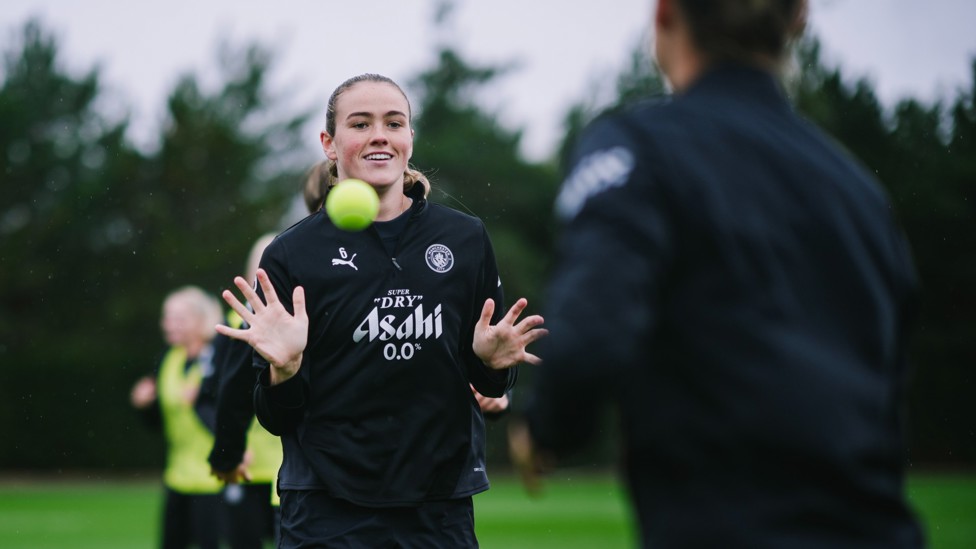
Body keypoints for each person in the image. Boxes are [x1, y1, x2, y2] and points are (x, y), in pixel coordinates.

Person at [514, 0, 925, 547]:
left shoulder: (639, 145)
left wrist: (545, 425)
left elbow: (590, 331)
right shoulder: (859, 190)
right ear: (798, 19)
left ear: (663, 15)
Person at [216, 73, 547, 547]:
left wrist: (494, 366)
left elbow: (486, 383)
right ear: (330, 143)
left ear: (410, 138)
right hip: (324, 505)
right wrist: (284, 371)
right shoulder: (292, 255)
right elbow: (276, 418)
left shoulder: (465, 238)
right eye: (360, 123)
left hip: (438, 504)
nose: (379, 135)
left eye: (394, 123)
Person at [130, 286, 226, 549]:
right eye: (166, 317)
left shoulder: (219, 357)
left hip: (214, 479)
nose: (168, 324)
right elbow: (158, 423)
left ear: (200, 320)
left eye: (178, 318)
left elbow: (232, 416)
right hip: (177, 477)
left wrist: (202, 401)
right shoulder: (167, 359)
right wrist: (145, 405)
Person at [206, 233, 281, 549]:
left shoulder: (311, 316)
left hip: (293, 463)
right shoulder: (231, 326)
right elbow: (220, 392)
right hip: (248, 462)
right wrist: (230, 449)